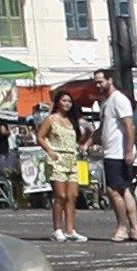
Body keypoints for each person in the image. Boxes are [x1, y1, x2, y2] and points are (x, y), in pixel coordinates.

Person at [96, 77, 137, 243]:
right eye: (96, 82)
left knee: (113, 190)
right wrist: (88, 142)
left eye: (101, 81)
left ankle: (123, 227)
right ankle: (135, 230)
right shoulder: (105, 102)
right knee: (124, 190)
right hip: (111, 152)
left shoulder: (119, 99)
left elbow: (129, 126)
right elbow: (103, 128)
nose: (98, 85)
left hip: (117, 153)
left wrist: (129, 150)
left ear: (110, 80)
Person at [37, 100, 85, 241]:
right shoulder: (51, 119)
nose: (67, 103)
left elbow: (81, 136)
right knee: (60, 195)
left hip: (72, 159)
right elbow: (40, 136)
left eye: (70, 101)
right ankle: (57, 229)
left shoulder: (73, 120)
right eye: (64, 100)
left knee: (72, 195)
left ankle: (70, 230)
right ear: (58, 103)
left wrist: (85, 141)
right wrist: (49, 151)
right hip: (58, 158)